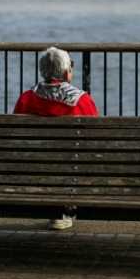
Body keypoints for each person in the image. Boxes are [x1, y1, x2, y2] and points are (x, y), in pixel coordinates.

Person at [13, 46, 98, 230]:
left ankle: (54, 210)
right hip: (72, 171)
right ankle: (64, 210)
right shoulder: (82, 101)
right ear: (67, 73)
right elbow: (94, 139)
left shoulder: (26, 99)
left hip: (34, 169)